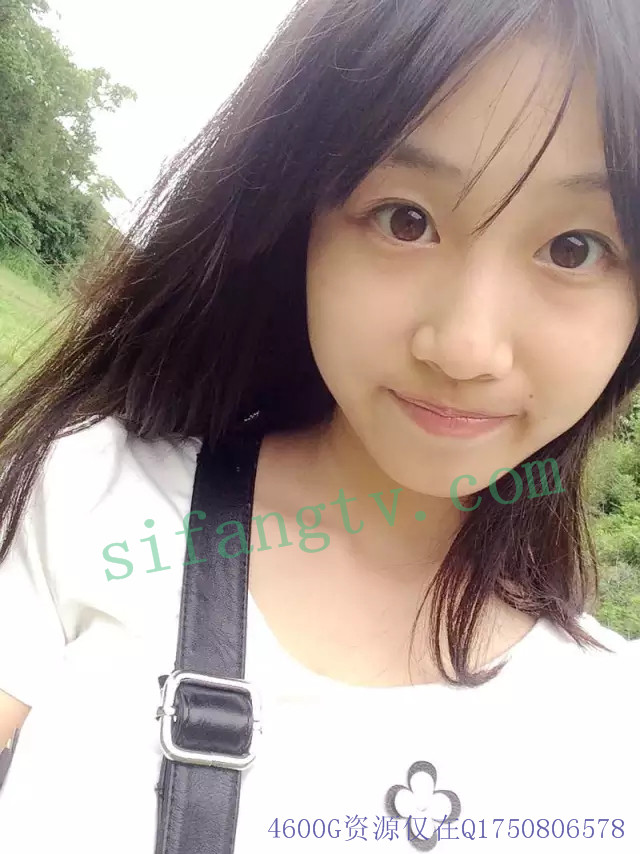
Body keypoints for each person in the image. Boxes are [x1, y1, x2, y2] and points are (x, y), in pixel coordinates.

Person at [0, 0, 639, 850]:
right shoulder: (94, 500)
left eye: (573, 248)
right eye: (405, 219)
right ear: (298, 220)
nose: (465, 347)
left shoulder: (612, 730)